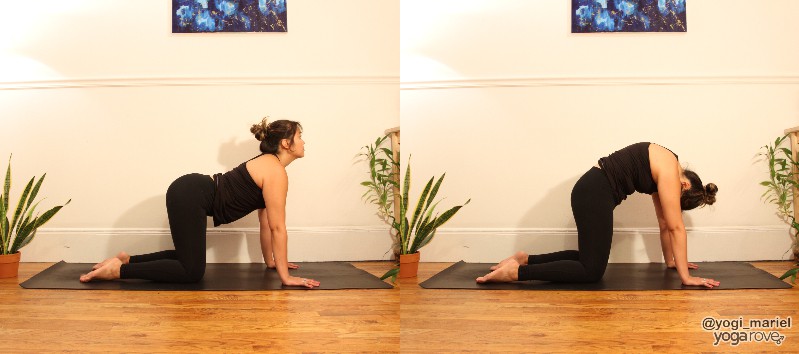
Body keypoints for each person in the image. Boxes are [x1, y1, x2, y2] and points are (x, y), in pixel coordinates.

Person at [80, 118, 320, 288]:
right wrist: (285, 277)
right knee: (191, 271)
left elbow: (266, 222)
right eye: (300, 137)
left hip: (189, 190)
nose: (304, 142)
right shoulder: (276, 171)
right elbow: (279, 228)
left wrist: (272, 262)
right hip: (191, 194)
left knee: (189, 258)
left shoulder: (269, 165)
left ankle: (126, 259)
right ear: (286, 144)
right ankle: (119, 271)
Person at [477, 142, 720, 288]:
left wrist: (673, 262)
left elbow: (665, 222)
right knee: (591, 271)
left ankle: (524, 259)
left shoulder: (667, 161)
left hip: (591, 190)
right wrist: (686, 278)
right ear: (685, 186)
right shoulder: (668, 169)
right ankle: (516, 273)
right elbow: (677, 227)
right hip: (594, 193)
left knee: (588, 258)